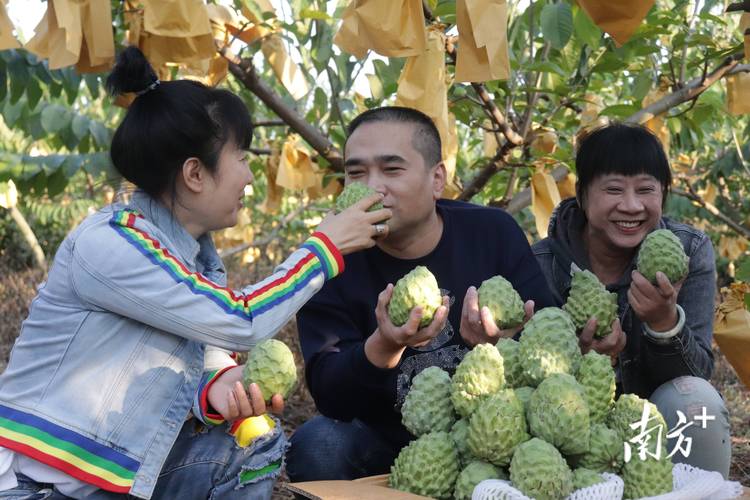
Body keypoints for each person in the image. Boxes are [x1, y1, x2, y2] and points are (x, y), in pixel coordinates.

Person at [0, 47, 390, 500]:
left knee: (258, 442)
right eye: (241, 157)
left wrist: (217, 388)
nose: (249, 175)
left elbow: (187, 354)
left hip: (109, 484)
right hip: (32, 483)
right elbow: (240, 321)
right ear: (195, 174)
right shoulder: (110, 243)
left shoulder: (195, 261)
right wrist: (325, 247)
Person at [286, 106, 555, 482]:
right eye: (356, 173)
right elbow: (330, 395)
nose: (372, 187)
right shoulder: (331, 258)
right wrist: (383, 346)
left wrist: (498, 348)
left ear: (436, 179)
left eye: (392, 169)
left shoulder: (493, 233)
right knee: (318, 445)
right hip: (386, 442)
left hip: (491, 436)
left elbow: (550, 346)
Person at [532, 122, 731, 477]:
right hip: (570, 431)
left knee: (698, 402)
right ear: (581, 194)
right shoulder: (541, 264)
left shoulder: (688, 251)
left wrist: (664, 324)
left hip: (655, 426)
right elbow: (527, 378)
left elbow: (697, 376)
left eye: (645, 190)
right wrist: (579, 358)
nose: (631, 205)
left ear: (663, 195)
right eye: (613, 189)